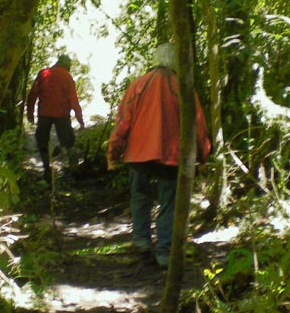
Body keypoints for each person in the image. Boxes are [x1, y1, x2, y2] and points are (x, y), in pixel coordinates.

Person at [107, 42, 211, 268]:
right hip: (170, 156)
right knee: (168, 204)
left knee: (140, 197)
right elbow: (198, 125)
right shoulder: (183, 86)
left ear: (155, 59)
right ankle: (164, 253)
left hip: (138, 154)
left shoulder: (137, 85)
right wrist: (203, 155)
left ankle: (142, 242)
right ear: (176, 61)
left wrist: (113, 153)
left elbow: (123, 122)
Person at [26, 54, 85, 183]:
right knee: (69, 142)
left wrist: (30, 113)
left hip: (44, 114)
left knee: (42, 142)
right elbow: (74, 101)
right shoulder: (67, 77)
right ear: (67, 65)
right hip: (62, 115)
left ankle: (47, 169)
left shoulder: (44, 73)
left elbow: (33, 94)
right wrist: (80, 120)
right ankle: (74, 169)